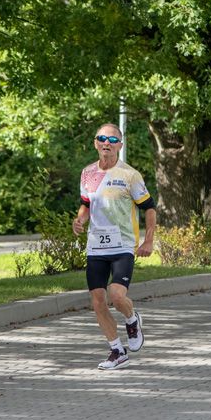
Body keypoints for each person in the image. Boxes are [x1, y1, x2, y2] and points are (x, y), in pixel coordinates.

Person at [72, 123, 157, 370]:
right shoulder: (87, 173)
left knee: (116, 295)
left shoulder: (130, 175)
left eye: (112, 139)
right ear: (95, 143)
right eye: (102, 138)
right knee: (98, 300)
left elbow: (149, 208)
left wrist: (148, 239)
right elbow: (86, 204)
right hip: (96, 247)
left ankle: (131, 319)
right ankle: (117, 351)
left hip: (122, 245)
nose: (106, 143)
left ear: (120, 145)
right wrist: (79, 220)